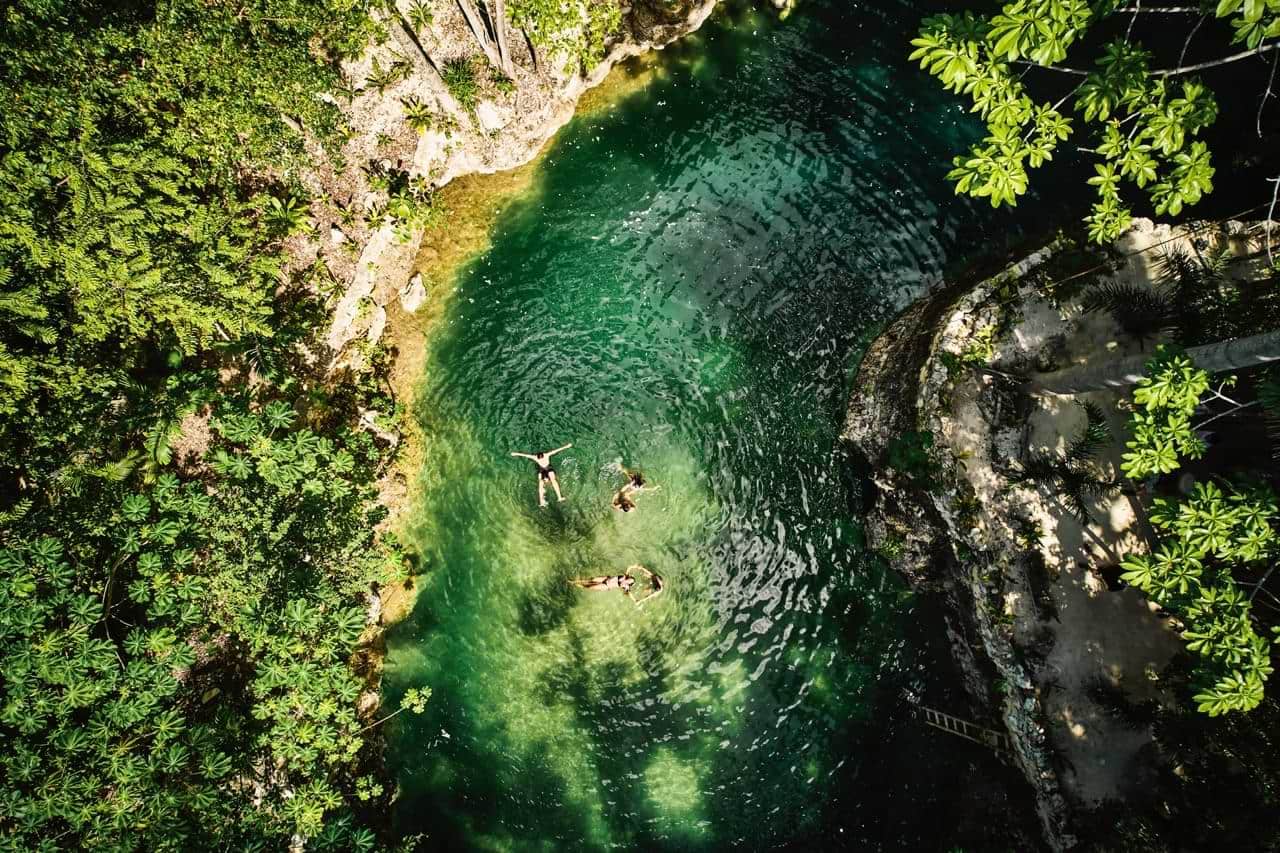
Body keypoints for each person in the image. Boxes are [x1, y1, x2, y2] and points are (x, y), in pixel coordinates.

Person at [570, 565, 664, 607]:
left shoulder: (626, 587)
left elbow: (630, 594)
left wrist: (636, 600)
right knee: (592, 580)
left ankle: (576, 584)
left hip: (607, 587)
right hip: (606, 579)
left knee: (589, 586)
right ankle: (574, 581)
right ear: (629, 577)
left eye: (630, 581)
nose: (629, 580)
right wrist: (636, 567)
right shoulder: (625, 576)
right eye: (630, 579)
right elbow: (629, 568)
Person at [510, 443, 572, 507]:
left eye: (542, 459)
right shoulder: (535, 457)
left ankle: (559, 497)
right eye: (539, 459)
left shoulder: (547, 455)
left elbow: (556, 450)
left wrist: (567, 446)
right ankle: (541, 501)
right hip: (541, 470)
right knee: (540, 482)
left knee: (553, 480)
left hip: (548, 468)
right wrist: (515, 454)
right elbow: (526, 455)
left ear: (543, 456)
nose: (541, 460)